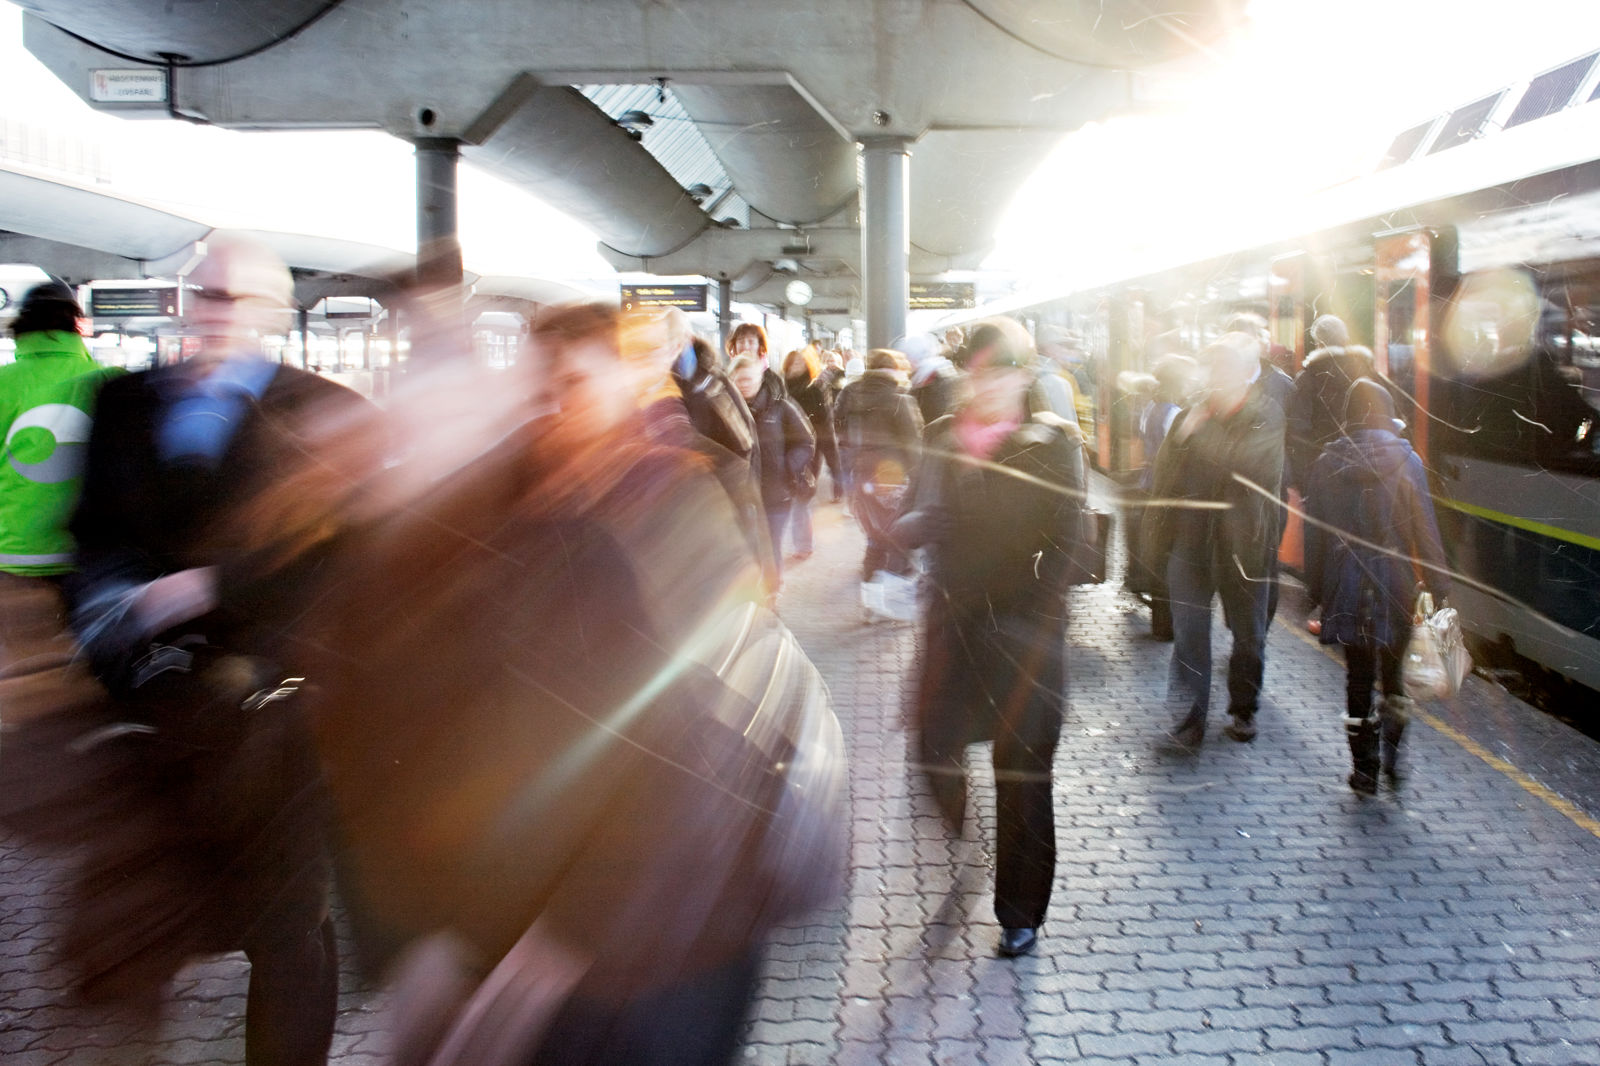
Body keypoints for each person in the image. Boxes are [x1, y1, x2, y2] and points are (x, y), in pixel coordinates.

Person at [312, 301, 842, 1066]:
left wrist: (565, 941)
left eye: (571, 381)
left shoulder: (662, 497)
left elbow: (696, 733)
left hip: (660, 930)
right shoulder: (421, 547)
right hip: (516, 928)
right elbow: (364, 757)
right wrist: (413, 947)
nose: (552, 405)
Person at [64, 233, 364, 1066]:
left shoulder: (327, 414)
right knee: (140, 923)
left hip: (277, 718)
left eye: (233, 299)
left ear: (272, 313)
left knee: (287, 926)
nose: (212, 314)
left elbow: (347, 564)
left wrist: (209, 587)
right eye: (201, 295)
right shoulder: (123, 402)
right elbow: (91, 537)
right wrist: (109, 623)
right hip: (152, 716)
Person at [891, 319, 1085, 959]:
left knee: (1023, 776)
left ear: (1025, 376)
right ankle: (966, 835)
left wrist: (1034, 616)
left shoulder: (1052, 443)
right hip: (955, 631)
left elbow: (1068, 545)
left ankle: (1019, 912)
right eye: (981, 372)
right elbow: (914, 512)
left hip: (1025, 639)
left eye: (1005, 372)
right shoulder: (941, 436)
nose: (993, 385)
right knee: (935, 750)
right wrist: (910, 527)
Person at [1304, 379, 1449, 794]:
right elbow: (1425, 526)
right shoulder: (1408, 461)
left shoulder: (1326, 460)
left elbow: (1315, 534)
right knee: (1394, 675)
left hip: (1345, 581)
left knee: (1357, 677)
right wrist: (1439, 583)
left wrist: (1317, 589)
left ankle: (1362, 770)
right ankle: (1393, 758)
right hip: (1396, 584)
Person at [1143, 332, 1286, 750]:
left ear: (1245, 374)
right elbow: (1165, 472)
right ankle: (1189, 723)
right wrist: (1182, 437)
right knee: (1190, 636)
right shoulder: (1192, 415)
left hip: (1245, 547)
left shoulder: (1267, 415)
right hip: (1191, 542)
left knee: (1248, 635)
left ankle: (1243, 710)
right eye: (1213, 370)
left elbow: (1248, 468)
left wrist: (1194, 434)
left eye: (1226, 370)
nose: (1217, 379)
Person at [0, 281, 121, 676]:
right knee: (87, 668)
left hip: (14, 554)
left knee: (26, 669)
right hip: (89, 558)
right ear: (78, 326)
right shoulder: (111, 381)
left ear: (20, 325)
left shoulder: (5, 382)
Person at [834, 348, 923, 584]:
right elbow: (912, 442)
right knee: (898, 533)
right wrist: (919, 478)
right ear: (893, 370)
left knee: (875, 533)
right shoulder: (899, 398)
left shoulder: (850, 392)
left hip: (860, 471)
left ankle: (870, 582)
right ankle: (892, 588)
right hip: (893, 475)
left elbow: (838, 426)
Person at [730, 353, 815, 573]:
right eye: (739, 379)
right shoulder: (726, 410)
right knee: (748, 548)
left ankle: (772, 593)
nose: (744, 384)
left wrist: (787, 466)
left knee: (770, 545)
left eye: (749, 378)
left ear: (760, 379)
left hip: (775, 493)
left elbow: (806, 441)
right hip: (740, 494)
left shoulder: (781, 406)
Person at [1286, 314, 1385, 493]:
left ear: (1318, 343)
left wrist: (1303, 481)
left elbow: (1298, 432)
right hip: (1370, 471)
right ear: (1345, 340)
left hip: (1323, 476)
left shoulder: (1307, 379)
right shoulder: (1368, 374)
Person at [781, 347, 836, 559]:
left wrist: (833, 463)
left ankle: (803, 544)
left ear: (808, 366)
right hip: (781, 450)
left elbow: (824, 426)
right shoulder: (779, 387)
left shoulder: (815, 389)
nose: (795, 368)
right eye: (792, 364)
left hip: (807, 451)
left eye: (800, 364)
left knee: (800, 499)